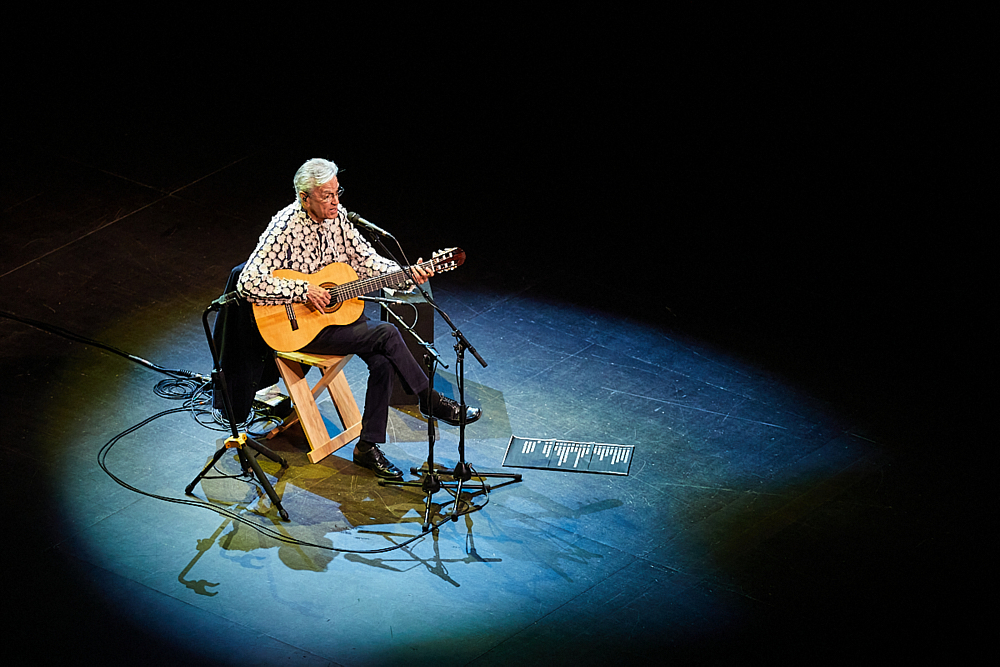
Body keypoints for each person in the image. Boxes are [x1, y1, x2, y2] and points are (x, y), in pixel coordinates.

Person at [237, 157, 480, 479]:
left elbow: (369, 263)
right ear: (304, 197)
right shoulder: (285, 228)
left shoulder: (339, 222)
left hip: (336, 321)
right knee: (388, 333)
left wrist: (408, 274)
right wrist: (302, 290)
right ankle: (429, 399)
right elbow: (246, 281)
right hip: (297, 327)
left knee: (382, 360)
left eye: (337, 193)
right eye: (326, 196)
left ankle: (367, 446)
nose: (335, 202)